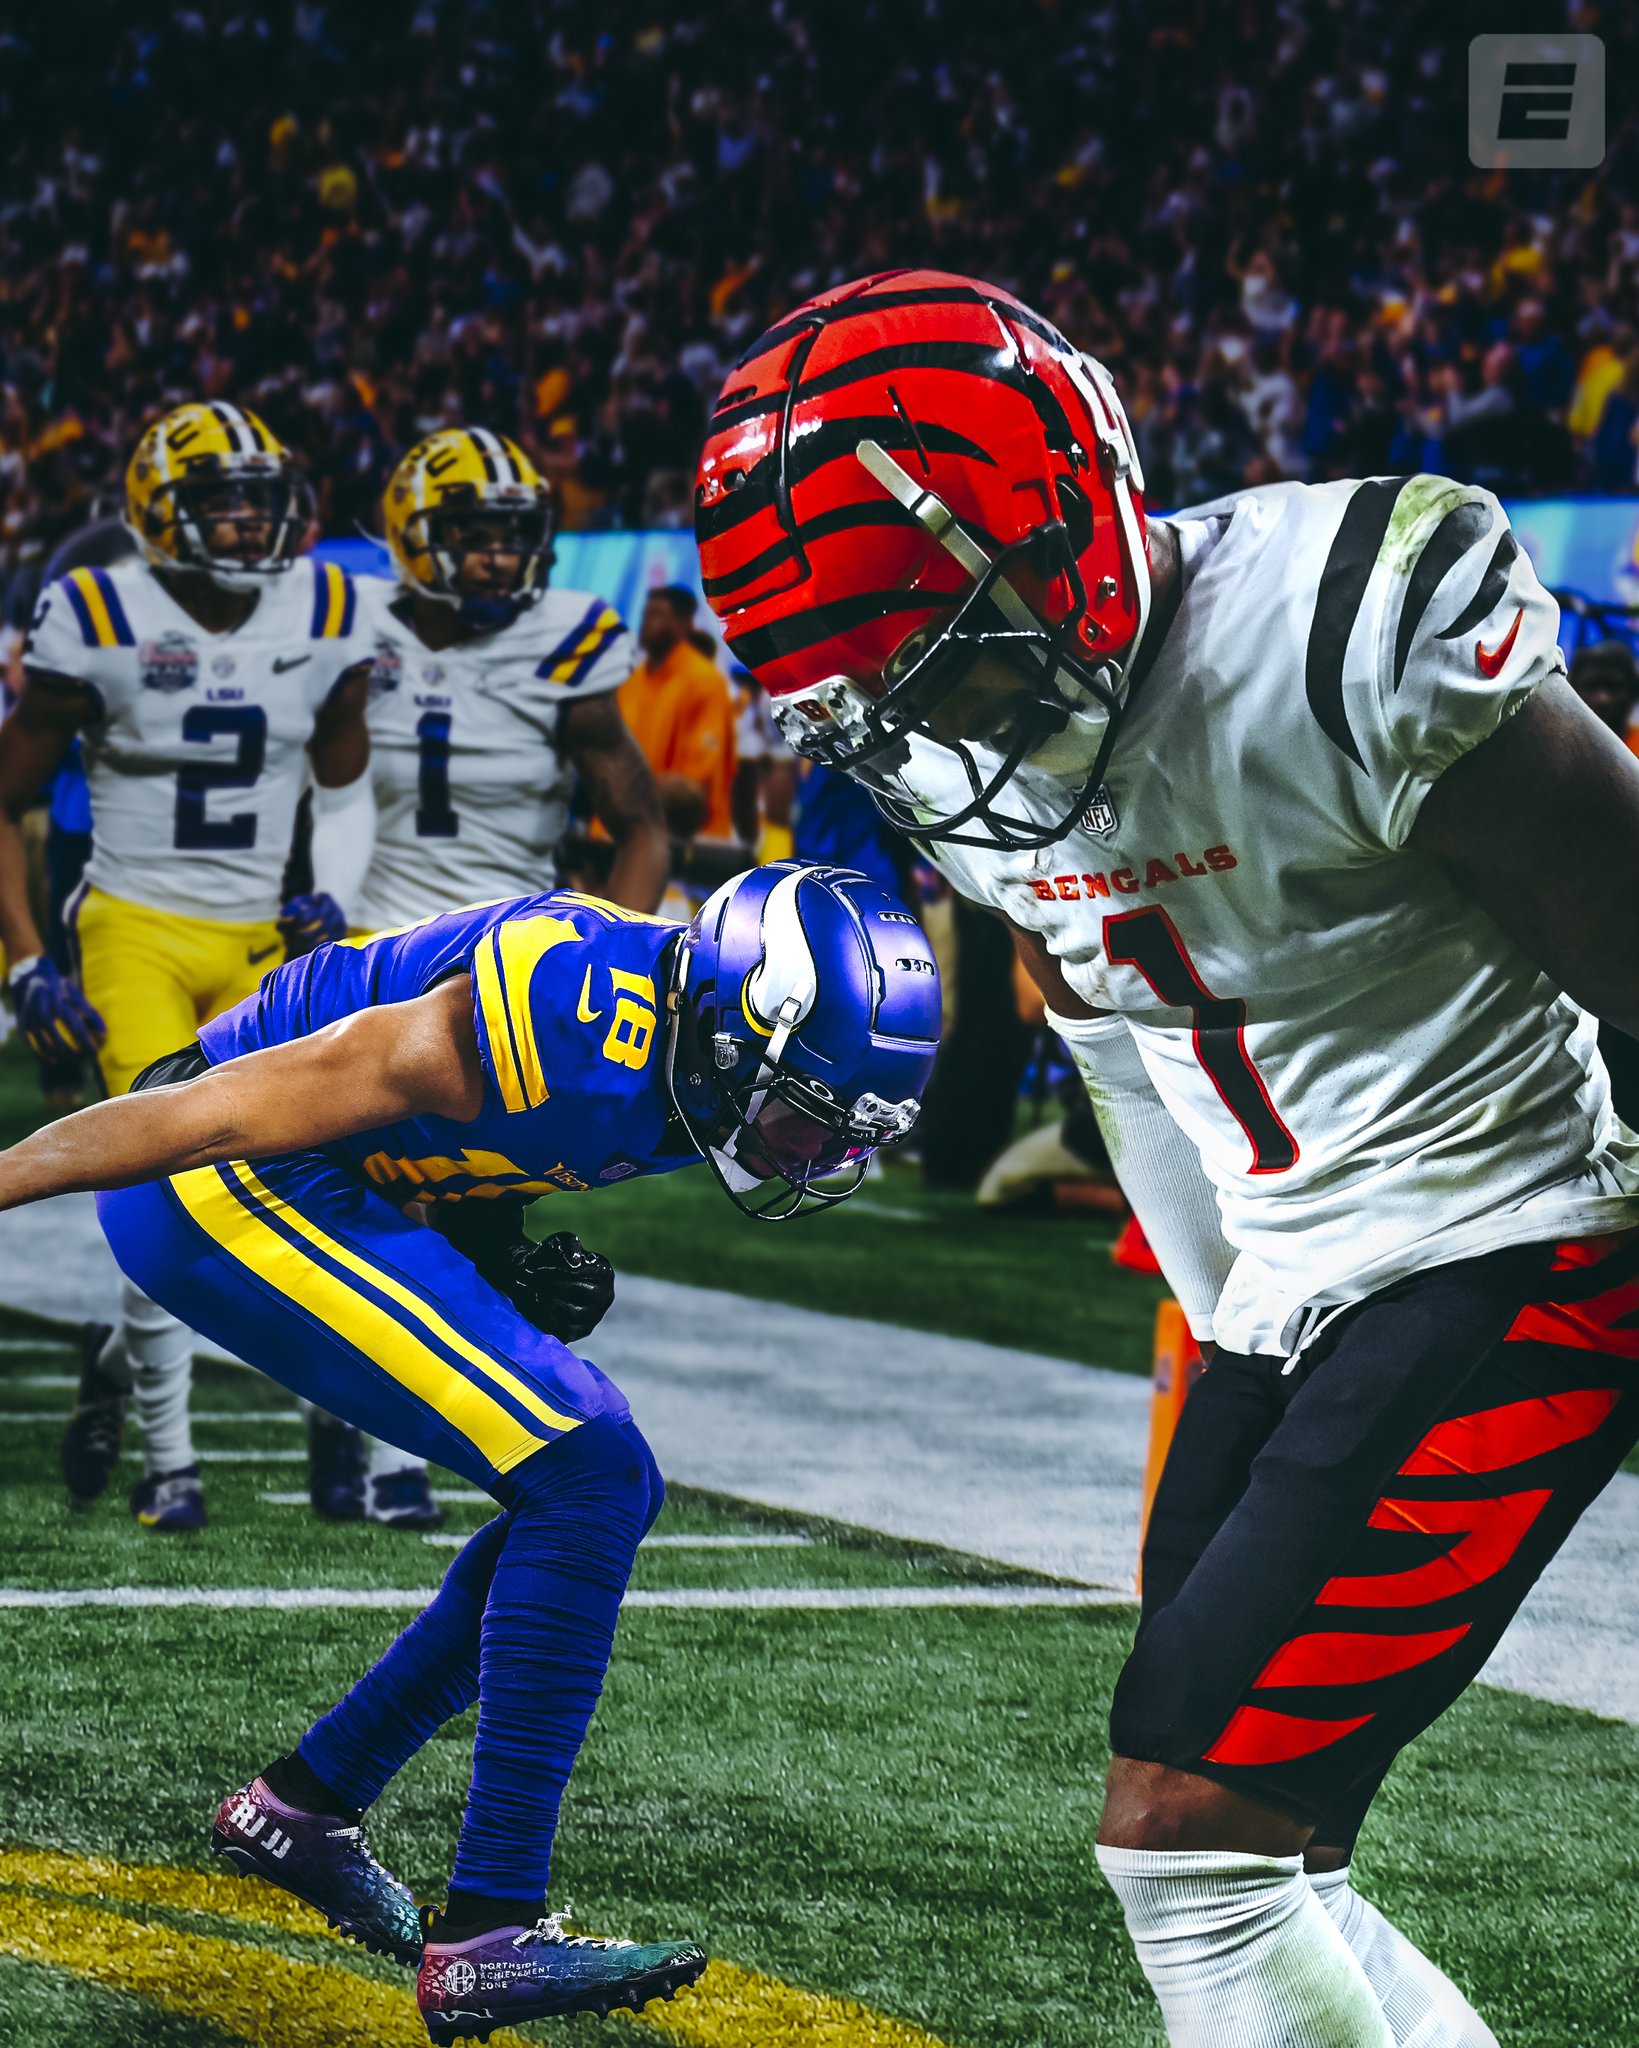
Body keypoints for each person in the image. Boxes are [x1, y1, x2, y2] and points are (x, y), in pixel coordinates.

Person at [696, 269, 1639, 2048]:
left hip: (1516, 1230)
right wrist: (1226, 1313)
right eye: (879, 690)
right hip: (1291, 1288)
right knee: (1259, 1853)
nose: (936, 720)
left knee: (1188, 1840)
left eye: (947, 646)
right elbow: (1116, 1037)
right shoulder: (963, 745)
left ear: (1068, 521)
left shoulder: (1333, 624)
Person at [0, 862, 940, 2040]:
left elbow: (450, 1147)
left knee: (607, 1482)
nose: (804, 1153)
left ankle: (308, 1801)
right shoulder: (567, 1011)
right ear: (741, 1021)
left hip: (326, 1175)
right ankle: (488, 1930)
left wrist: (496, 1240)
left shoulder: (702, 1040)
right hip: (224, 1172)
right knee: (586, 1474)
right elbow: (219, 1108)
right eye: (804, 1112)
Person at [0, 402, 373, 1536]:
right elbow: (7, 794)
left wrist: (337, 892)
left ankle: (116, 1358)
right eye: (223, 500)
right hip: (134, 927)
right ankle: (172, 1460)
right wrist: (23, 962)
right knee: (162, 1170)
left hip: (266, 934)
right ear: (161, 510)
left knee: (280, 1186)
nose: (250, 520)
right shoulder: (98, 609)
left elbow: (347, 786)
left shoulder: (329, 604)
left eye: (262, 499)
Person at [304, 427, 670, 1524]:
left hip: (502, 967)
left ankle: (410, 1431)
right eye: (472, 535)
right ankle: (373, 1432)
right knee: (359, 1197)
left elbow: (641, 824)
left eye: (515, 536)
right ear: (415, 537)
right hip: (365, 947)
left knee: (474, 1204)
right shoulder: (344, 629)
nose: (500, 558)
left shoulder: (567, 648)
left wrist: (617, 955)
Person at [617, 586, 736, 842]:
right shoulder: (632, 683)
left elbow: (692, 791)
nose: (647, 623)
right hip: (627, 837)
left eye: (658, 614)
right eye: (646, 614)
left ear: (684, 624)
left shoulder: (704, 682)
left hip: (688, 845)